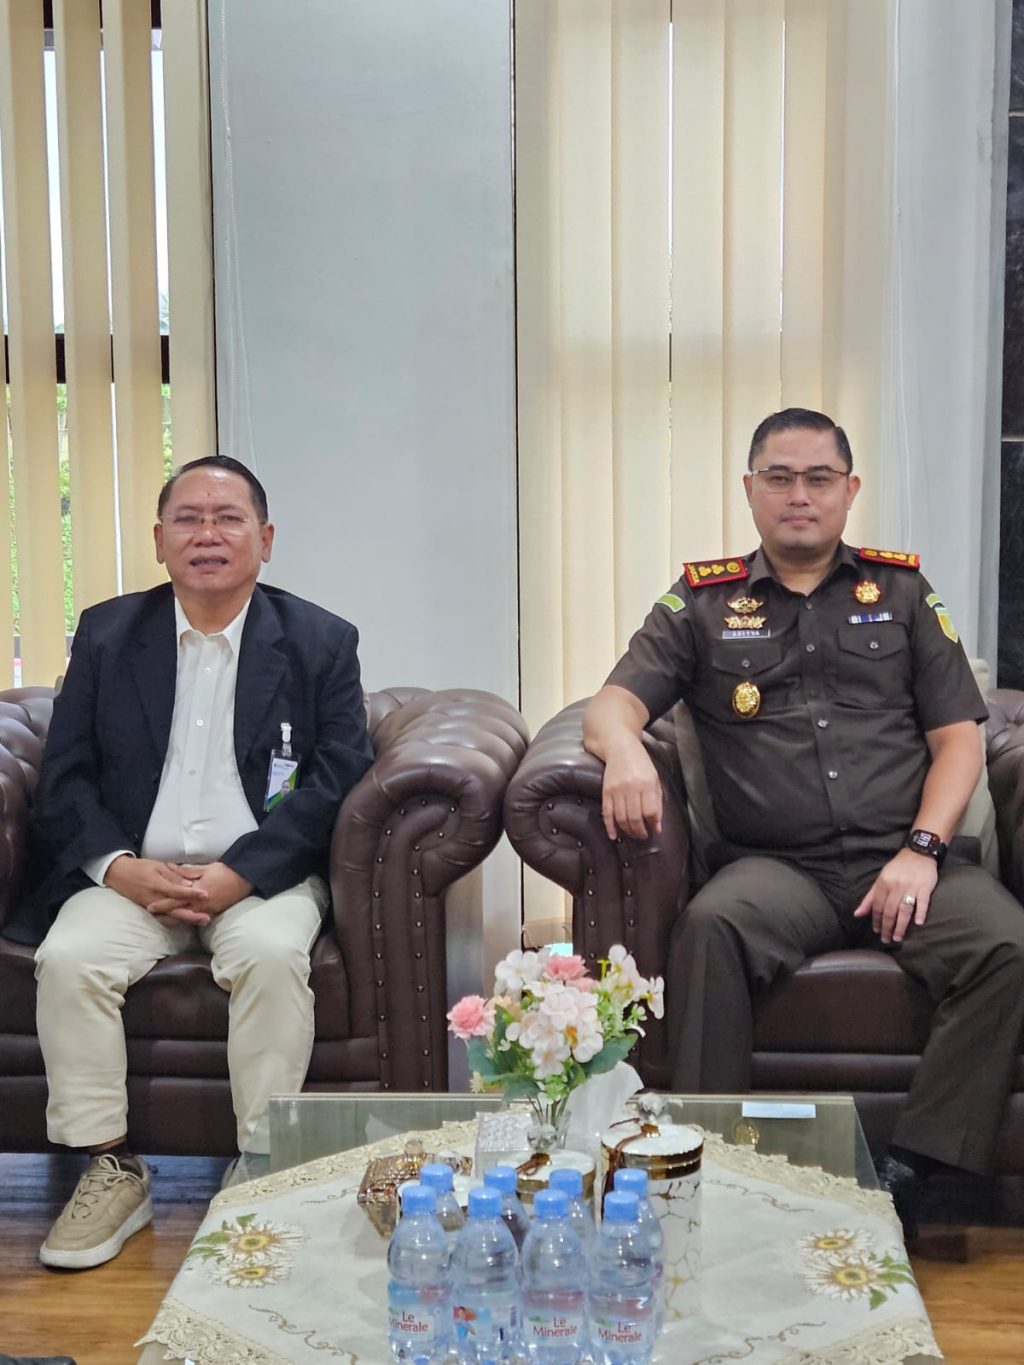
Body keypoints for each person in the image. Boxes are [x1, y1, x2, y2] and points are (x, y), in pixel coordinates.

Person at [583, 407, 1024, 1235]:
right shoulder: (702, 602)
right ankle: (707, 1168)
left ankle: (917, 1169)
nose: (799, 495)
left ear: (849, 490)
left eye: (818, 478)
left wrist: (923, 848)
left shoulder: (901, 592)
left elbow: (959, 739)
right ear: (750, 489)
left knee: (1009, 946)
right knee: (711, 927)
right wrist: (626, 753)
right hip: (778, 870)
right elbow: (611, 704)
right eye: (779, 478)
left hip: (908, 859)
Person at [26, 454, 373, 1269]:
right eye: (188, 518)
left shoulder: (320, 640)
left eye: (227, 518)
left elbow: (337, 777)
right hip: (133, 878)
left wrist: (238, 874)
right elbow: (65, 774)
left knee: (273, 955)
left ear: (265, 539)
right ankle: (110, 1167)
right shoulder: (109, 634)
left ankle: (262, 1168)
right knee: (68, 957)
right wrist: (117, 867)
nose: (207, 534)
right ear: (159, 540)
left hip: (259, 879)